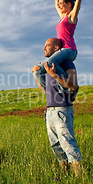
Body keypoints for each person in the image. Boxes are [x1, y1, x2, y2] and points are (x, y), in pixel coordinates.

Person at [33, 0, 93, 91]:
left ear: (69, 4)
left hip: (69, 50)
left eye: (61, 3)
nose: (59, 6)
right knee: (38, 70)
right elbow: (55, 7)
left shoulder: (71, 17)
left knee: (48, 65)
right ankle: (51, 91)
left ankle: (67, 89)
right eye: (58, 4)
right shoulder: (62, 18)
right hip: (63, 50)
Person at [32, 38, 82, 176]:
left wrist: (55, 75)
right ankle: (64, 175)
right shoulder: (48, 67)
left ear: (56, 49)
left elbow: (73, 85)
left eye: (47, 45)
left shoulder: (67, 63)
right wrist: (36, 73)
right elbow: (45, 89)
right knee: (56, 146)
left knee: (68, 144)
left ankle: (81, 179)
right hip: (50, 111)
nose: (44, 48)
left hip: (62, 109)